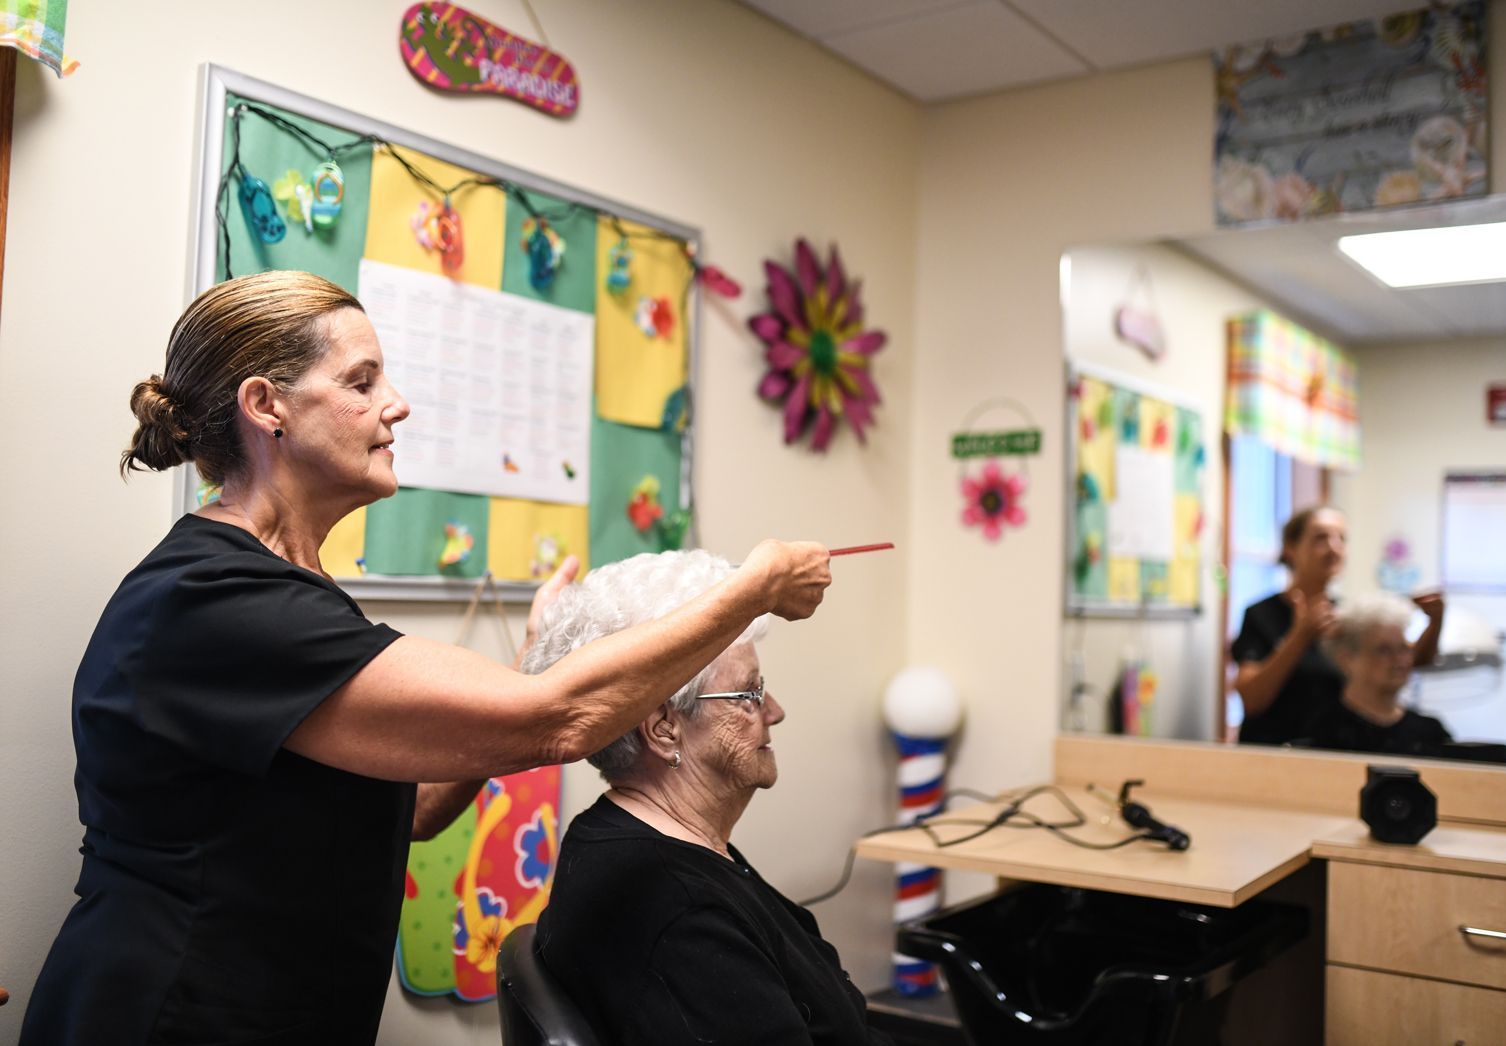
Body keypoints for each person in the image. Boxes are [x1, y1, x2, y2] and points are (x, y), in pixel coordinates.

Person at [21, 271, 833, 1046]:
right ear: (266, 406)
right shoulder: (217, 599)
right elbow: (558, 722)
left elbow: (410, 811)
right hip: (171, 1014)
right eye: (362, 381)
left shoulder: (289, 594)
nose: (396, 406)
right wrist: (750, 589)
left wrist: (521, 676)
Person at [527, 550, 892, 1046]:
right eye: (749, 694)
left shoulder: (634, 838)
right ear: (662, 729)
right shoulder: (680, 914)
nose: (776, 712)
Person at [1230, 505, 1443, 744]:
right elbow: (1251, 699)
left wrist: (1434, 623)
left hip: (1328, 749)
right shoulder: (1261, 615)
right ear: (1291, 548)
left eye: (1341, 538)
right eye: (1321, 537)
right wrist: (1300, 637)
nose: (1334, 548)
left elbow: (1403, 661)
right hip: (1271, 754)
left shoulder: (1346, 616)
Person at [1307, 593, 1452, 756]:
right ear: (1347, 658)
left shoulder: (1431, 732)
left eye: (1403, 648)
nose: (1399, 660)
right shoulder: (1323, 729)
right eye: (1384, 650)